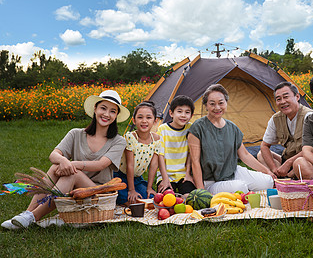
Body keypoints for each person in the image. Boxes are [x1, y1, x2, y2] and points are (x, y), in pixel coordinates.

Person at [1, 90, 129, 230]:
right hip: (73, 188)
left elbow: (100, 164)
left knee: (73, 172)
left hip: (98, 192)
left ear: (116, 115)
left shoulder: (119, 141)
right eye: (103, 108)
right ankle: (27, 213)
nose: (106, 114)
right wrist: (63, 161)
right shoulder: (76, 134)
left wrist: (72, 164)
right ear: (95, 109)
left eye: (112, 111)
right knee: (56, 166)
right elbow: (54, 155)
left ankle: (33, 217)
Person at [188, 84, 275, 195]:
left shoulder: (232, 128)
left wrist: (266, 171)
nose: (217, 107)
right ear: (206, 106)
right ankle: (235, 189)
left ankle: (237, 187)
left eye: (221, 103)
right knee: (240, 187)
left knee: (267, 182)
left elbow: (245, 155)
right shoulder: (197, 128)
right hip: (210, 181)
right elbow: (195, 162)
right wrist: (201, 191)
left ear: (226, 103)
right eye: (212, 104)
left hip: (233, 172)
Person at [257, 82, 313, 178]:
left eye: (286, 97)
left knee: (299, 163)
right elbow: (264, 146)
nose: (283, 102)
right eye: (279, 99)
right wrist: (274, 169)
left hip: (305, 161)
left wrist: (289, 162)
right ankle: (281, 177)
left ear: (297, 97)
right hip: (286, 160)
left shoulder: (309, 116)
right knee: (261, 155)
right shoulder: (276, 118)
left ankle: (289, 178)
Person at [114, 101, 161, 206]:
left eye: (148, 118)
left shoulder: (156, 139)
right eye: (140, 117)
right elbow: (130, 165)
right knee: (129, 198)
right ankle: (124, 196)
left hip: (137, 179)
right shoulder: (130, 137)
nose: (144, 121)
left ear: (155, 121)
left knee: (151, 197)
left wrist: (149, 187)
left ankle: (137, 193)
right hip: (120, 176)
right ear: (134, 121)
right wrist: (131, 190)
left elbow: (153, 166)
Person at [156, 95, 196, 197]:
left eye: (187, 112)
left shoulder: (190, 128)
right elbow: (160, 155)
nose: (183, 115)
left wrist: (188, 174)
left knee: (189, 198)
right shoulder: (163, 129)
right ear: (171, 113)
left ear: (191, 115)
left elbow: (191, 153)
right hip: (165, 175)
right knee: (168, 200)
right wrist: (165, 179)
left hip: (183, 175)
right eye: (179, 111)